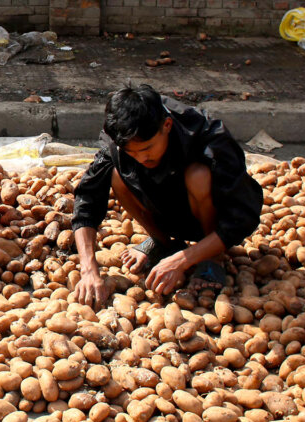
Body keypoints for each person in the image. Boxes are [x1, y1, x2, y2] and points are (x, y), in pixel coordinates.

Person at [71, 84, 263, 307]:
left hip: (208, 219)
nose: (142, 158)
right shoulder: (117, 141)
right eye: (132, 152)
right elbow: (87, 199)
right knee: (114, 173)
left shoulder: (208, 134)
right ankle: (160, 242)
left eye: (148, 148)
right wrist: (88, 269)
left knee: (198, 176)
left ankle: (212, 256)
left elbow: (244, 215)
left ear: (167, 125)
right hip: (161, 209)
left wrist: (183, 259)